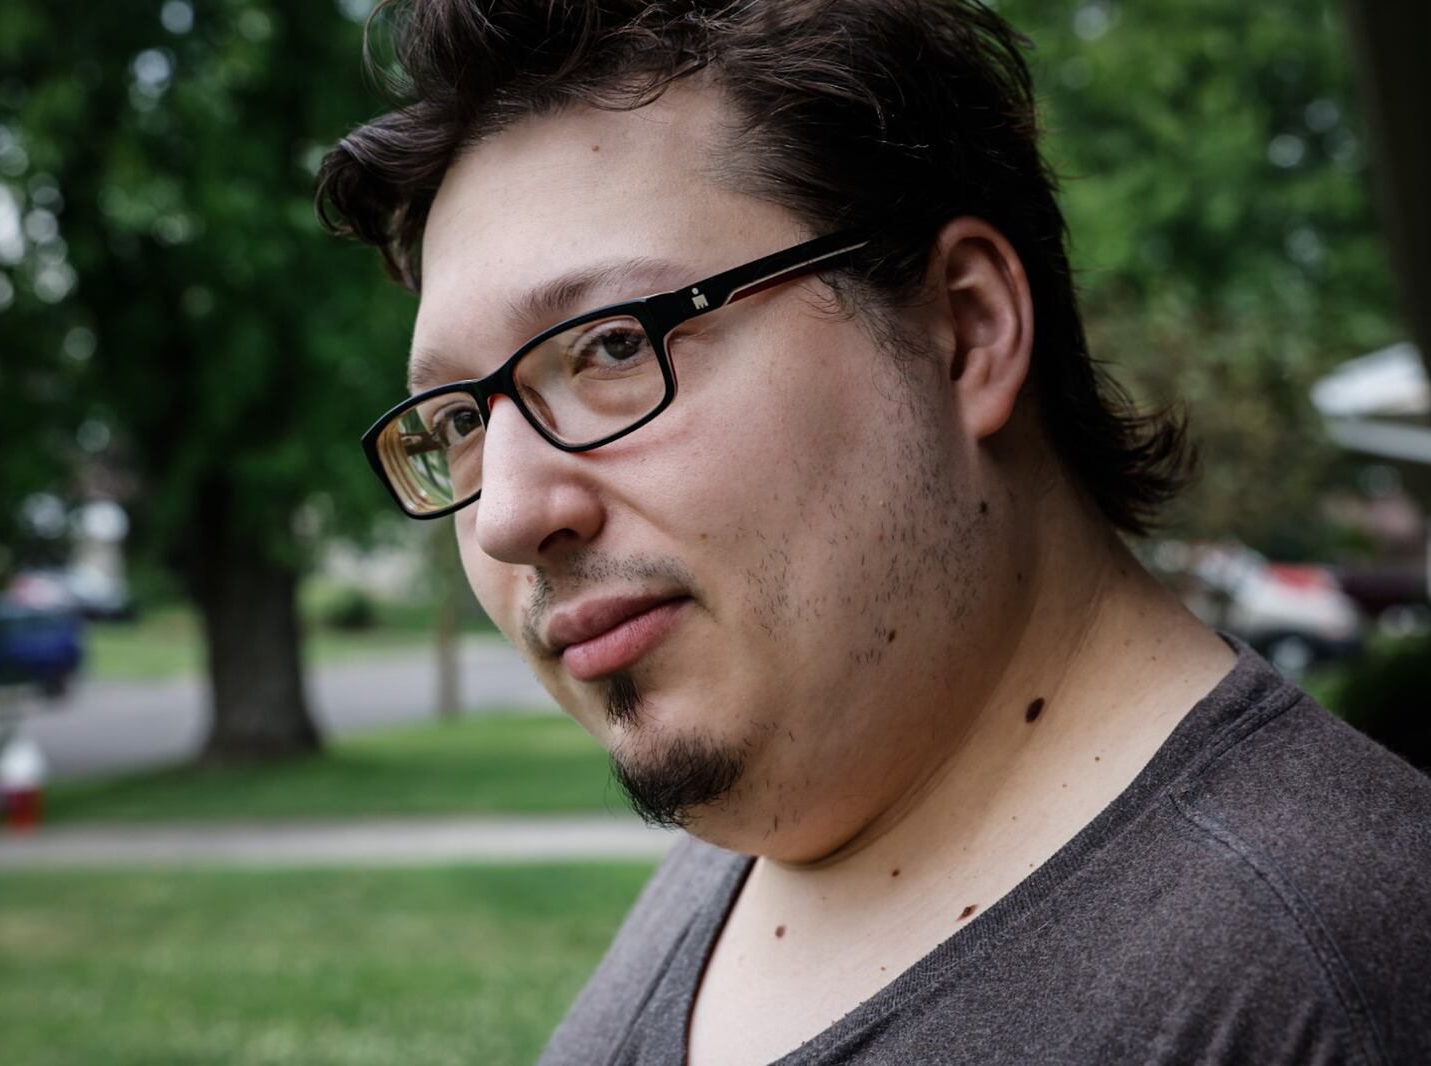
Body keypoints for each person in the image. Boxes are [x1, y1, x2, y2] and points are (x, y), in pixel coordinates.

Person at [317, 2, 1431, 1062]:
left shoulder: (1334, 978)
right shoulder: (774, 831)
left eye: (612, 348)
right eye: (462, 420)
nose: (508, 514)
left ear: (965, 330)